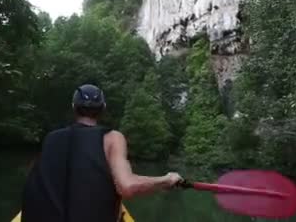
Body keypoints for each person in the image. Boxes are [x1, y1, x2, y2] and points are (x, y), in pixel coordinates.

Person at [21, 84, 183, 222]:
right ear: (103, 108)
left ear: (73, 107)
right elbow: (127, 187)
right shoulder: (112, 138)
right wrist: (167, 180)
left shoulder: (51, 138)